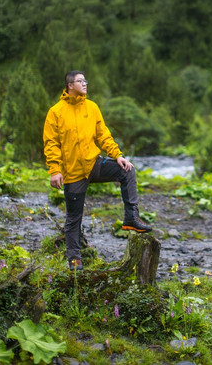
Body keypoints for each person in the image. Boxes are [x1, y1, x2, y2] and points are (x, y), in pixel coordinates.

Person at [43, 70, 153, 270]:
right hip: (73, 172)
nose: (85, 83)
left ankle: (131, 218)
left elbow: (103, 135)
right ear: (70, 85)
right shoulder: (56, 112)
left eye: (85, 80)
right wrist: (54, 170)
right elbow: (51, 143)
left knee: (126, 171)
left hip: (94, 164)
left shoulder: (92, 107)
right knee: (73, 219)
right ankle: (75, 260)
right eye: (80, 81)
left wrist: (118, 155)